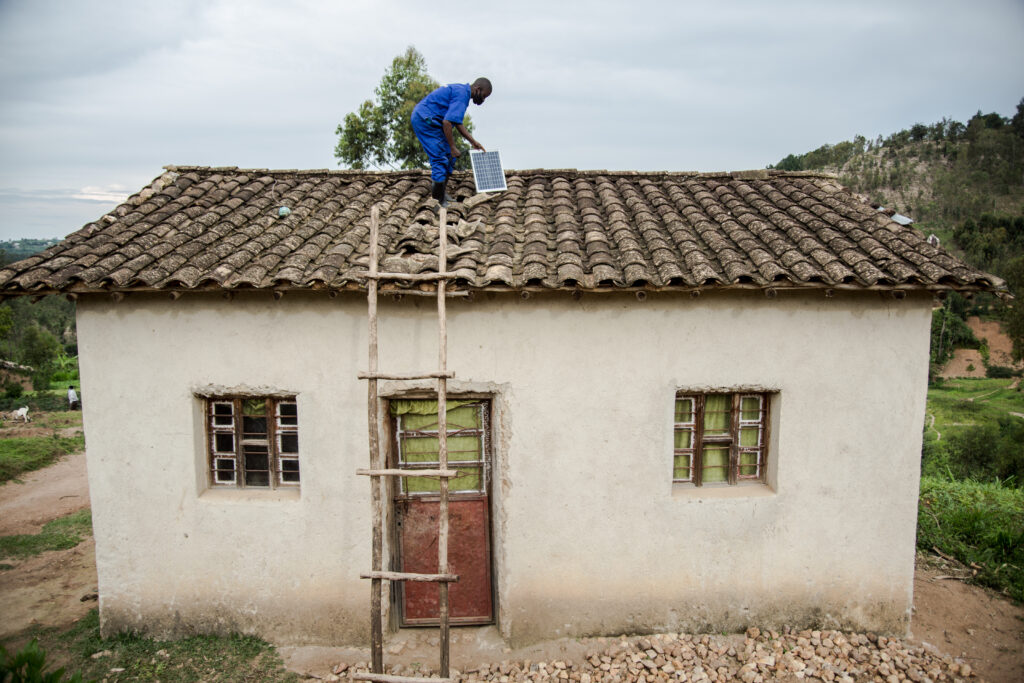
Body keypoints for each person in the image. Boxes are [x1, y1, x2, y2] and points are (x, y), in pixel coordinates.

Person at [411, 77, 492, 206]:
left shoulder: (462, 92)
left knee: (450, 157)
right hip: (425, 121)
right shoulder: (462, 95)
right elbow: (447, 122)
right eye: (483, 96)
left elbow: (456, 122)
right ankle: (437, 201)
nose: (482, 100)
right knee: (440, 158)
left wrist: (473, 142)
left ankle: (442, 193)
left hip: (433, 122)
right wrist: (453, 147)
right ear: (477, 89)